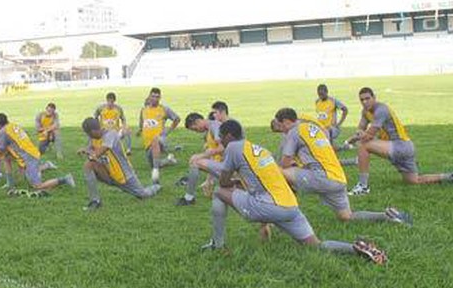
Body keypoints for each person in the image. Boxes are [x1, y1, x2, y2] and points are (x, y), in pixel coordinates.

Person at [202, 119, 387, 265]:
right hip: (290, 206)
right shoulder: (260, 150)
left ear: (228, 135)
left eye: (221, 137)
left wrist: (201, 163)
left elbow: (225, 181)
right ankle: (357, 249)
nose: (220, 141)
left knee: (220, 191)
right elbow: (263, 185)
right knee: (317, 245)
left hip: (270, 207)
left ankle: (217, 245)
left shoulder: (233, 147)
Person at [274, 108, 411, 224]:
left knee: (277, 171)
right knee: (346, 216)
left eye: (280, 126)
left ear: (286, 122)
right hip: (338, 179)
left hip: (321, 177)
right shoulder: (312, 128)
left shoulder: (293, 132)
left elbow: (285, 163)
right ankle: (388, 216)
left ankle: (282, 218)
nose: (281, 131)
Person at [348, 87, 453, 195]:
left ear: (374, 97)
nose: (365, 102)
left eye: (367, 98)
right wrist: (357, 135)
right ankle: (448, 177)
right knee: (414, 181)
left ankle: (363, 186)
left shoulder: (381, 110)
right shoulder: (365, 112)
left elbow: (368, 136)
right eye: (362, 100)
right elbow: (360, 128)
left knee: (364, 145)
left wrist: (354, 138)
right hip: (403, 147)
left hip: (400, 146)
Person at [79, 118, 161, 210]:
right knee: (89, 165)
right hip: (108, 173)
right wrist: (85, 150)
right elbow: (91, 151)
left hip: (125, 176)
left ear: (93, 131)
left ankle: (156, 185)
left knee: (143, 195)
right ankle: (95, 201)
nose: (88, 136)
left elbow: (101, 151)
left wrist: (88, 152)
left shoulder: (111, 134)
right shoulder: (93, 138)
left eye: (88, 133)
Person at [0, 113, 74, 195]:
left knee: (36, 186)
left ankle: (65, 179)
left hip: (29, 156)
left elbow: (1, 148)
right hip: (31, 152)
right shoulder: (13, 125)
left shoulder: (3, 131)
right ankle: (46, 166)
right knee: (9, 160)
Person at [175, 112, 224, 205]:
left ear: (198, 121)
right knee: (196, 160)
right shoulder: (209, 131)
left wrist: (201, 156)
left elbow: (223, 148)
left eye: (195, 129)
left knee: (195, 162)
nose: (196, 131)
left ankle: (189, 199)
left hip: (230, 168)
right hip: (225, 167)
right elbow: (214, 157)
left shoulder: (215, 127)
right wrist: (209, 180)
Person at [139, 87, 181, 184]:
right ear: (149, 97)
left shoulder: (164, 109)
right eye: (153, 96)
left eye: (157, 97)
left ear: (160, 98)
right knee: (155, 161)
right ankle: (169, 160)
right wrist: (141, 130)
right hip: (147, 144)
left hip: (160, 140)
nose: (155, 99)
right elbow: (143, 122)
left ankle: (155, 171)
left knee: (156, 141)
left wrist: (167, 131)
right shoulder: (144, 110)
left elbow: (177, 119)